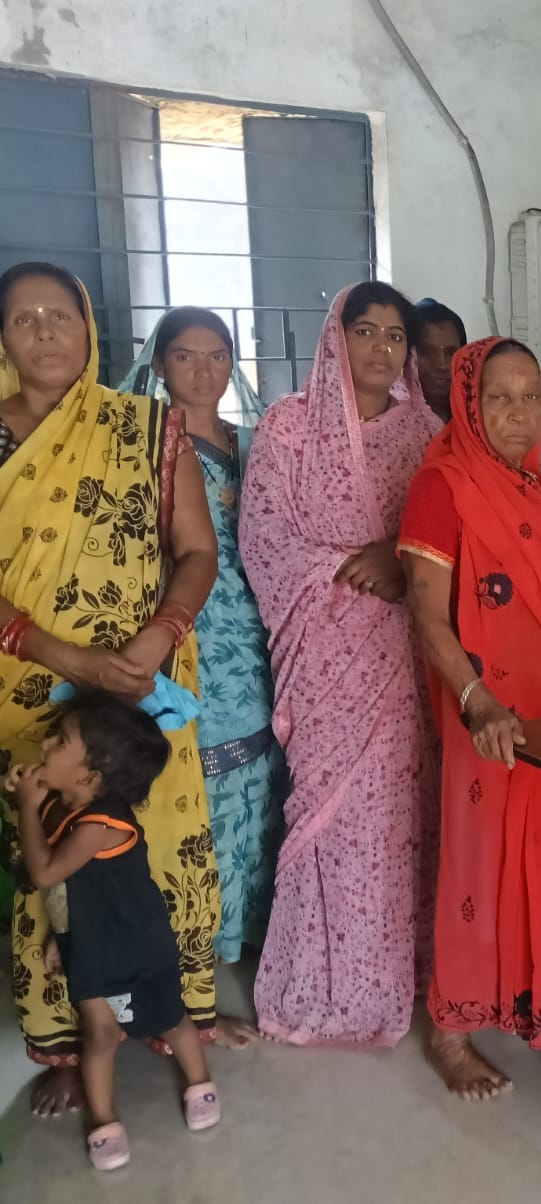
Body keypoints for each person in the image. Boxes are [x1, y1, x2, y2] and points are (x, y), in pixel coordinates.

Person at [0, 262, 224, 1117]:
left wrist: (158, 636)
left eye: (61, 314)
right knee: (51, 861)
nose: (45, 331)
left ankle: (170, 1015)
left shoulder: (146, 428)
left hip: (140, 687)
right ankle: (65, 1041)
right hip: (31, 688)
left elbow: (196, 552)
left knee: (154, 852)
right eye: (24, 318)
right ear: (3, 338)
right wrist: (65, 657)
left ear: (90, 328)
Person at [399, 337, 541, 1098]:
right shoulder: (441, 487)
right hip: (488, 715)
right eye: (499, 397)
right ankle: (451, 1028)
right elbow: (428, 617)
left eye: (532, 398)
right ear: (469, 404)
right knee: (479, 861)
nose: (520, 414)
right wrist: (478, 701)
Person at [239, 282, 442, 1046]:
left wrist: (398, 559)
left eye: (395, 336)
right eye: (366, 331)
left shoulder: (426, 434)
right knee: (328, 813)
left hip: (404, 652)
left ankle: (397, 974)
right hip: (324, 654)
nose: (381, 348)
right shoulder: (288, 427)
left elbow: (446, 538)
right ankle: (322, 986)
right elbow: (264, 542)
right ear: (336, 337)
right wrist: (345, 568)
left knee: (398, 812)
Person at [119, 309, 287, 966]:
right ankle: (196, 943)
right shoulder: (142, 446)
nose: (203, 370)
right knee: (197, 772)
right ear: (160, 365)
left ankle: (248, 926)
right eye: (186, 356)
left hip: (261, 629)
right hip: (186, 627)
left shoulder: (258, 444)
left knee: (264, 771)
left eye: (217, 355)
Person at [9, 690, 222, 1170]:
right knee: (100, 1035)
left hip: (139, 947)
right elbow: (74, 889)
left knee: (171, 1019)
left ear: (89, 777)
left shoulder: (102, 825)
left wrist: (25, 805)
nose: (46, 745)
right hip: (90, 945)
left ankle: (199, 1083)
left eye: (60, 742)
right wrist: (62, 937)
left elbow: (46, 872)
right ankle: (103, 1120)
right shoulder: (61, 806)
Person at [415, 298, 467, 423]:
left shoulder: (475, 415)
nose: (442, 365)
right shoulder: (388, 423)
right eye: (428, 352)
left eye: (451, 353)